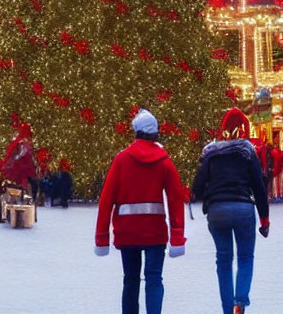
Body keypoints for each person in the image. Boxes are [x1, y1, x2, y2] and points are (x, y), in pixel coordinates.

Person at [95, 109, 185, 314]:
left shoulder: (121, 160)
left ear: (136, 133)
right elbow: (175, 199)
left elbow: (106, 200)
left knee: (130, 280)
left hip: (128, 232)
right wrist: (177, 237)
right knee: (154, 279)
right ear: (155, 134)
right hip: (155, 233)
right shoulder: (164, 162)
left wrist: (101, 237)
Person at [192, 107, 270, 314]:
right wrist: (264, 219)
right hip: (243, 208)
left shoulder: (211, 152)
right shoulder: (247, 151)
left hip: (217, 211)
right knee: (245, 258)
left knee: (223, 260)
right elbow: (258, 187)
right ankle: (239, 305)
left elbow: (197, 188)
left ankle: (227, 309)